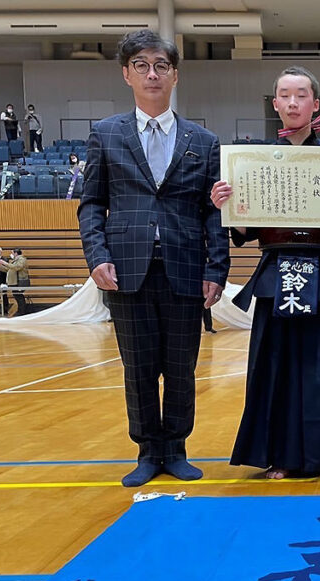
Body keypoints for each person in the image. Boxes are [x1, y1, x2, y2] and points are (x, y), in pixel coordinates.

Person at [78, 29, 229, 487]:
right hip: (127, 270)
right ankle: (147, 450)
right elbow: (90, 204)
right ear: (127, 74)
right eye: (141, 65)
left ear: (175, 75)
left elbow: (214, 213)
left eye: (161, 65)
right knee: (139, 366)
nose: (152, 73)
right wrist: (96, 255)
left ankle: (177, 447)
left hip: (185, 267)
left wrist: (216, 269)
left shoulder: (203, 140)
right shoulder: (105, 134)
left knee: (181, 366)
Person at [210, 65, 320, 480]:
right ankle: (279, 455)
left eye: (302, 96)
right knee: (276, 365)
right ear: (275, 105)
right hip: (276, 270)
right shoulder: (254, 160)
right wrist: (223, 201)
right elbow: (243, 230)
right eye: (285, 95)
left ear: (315, 105)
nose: (294, 102)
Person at [0, 248, 30, 316]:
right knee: (17, 295)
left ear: (16, 253)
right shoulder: (15, 260)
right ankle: (20, 310)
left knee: (19, 295)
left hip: (20, 281)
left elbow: (17, 267)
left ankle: (22, 311)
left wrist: (5, 263)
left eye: (12, 253)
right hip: (14, 282)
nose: (11, 254)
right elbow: (8, 269)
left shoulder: (21, 259)